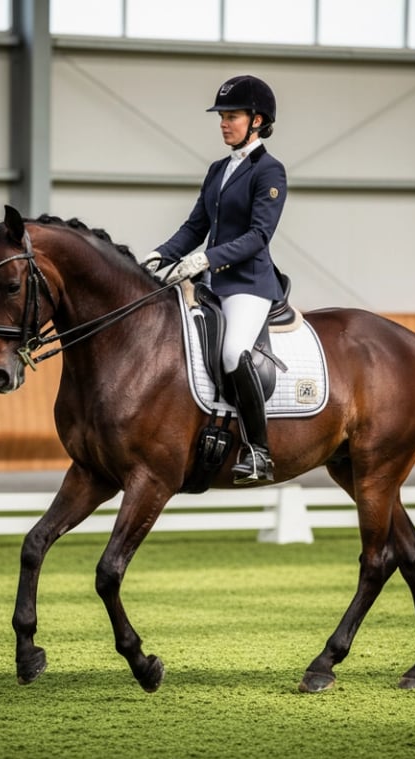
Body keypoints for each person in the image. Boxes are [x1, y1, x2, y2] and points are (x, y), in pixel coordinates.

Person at [145, 74, 287, 485]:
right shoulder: (218, 169)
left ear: (257, 120)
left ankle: (259, 451)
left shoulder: (270, 171)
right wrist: (158, 256)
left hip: (249, 285)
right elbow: (195, 226)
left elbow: (258, 236)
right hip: (212, 287)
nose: (224, 123)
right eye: (222, 116)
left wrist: (204, 259)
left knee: (232, 353)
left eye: (233, 116)